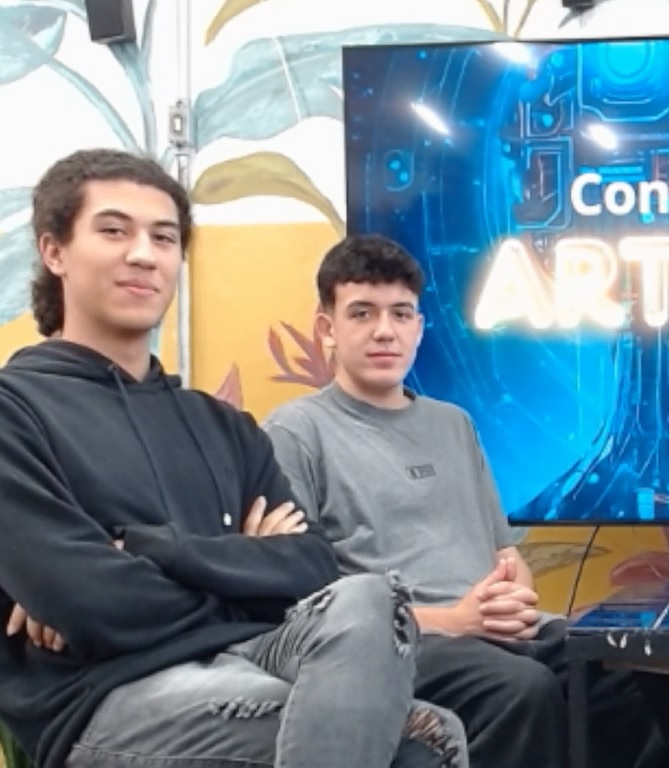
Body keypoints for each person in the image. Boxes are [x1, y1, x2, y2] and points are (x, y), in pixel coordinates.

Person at [0, 148, 467, 768]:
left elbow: (310, 568)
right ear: (55, 251)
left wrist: (147, 549)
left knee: (373, 598)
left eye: (164, 237)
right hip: (109, 696)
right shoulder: (15, 409)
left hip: (249, 655)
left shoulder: (222, 425)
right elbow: (89, 601)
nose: (143, 254)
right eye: (114, 231)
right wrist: (242, 569)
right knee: (424, 741)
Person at [262, 233, 669, 768]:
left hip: (500, 632)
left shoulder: (453, 424)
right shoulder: (296, 431)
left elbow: (506, 555)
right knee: (526, 688)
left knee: (668, 666)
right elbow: (304, 607)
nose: (385, 331)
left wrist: (513, 601)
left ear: (419, 327)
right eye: (362, 313)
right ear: (327, 328)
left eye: (400, 314)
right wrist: (456, 619)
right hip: (405, 644)